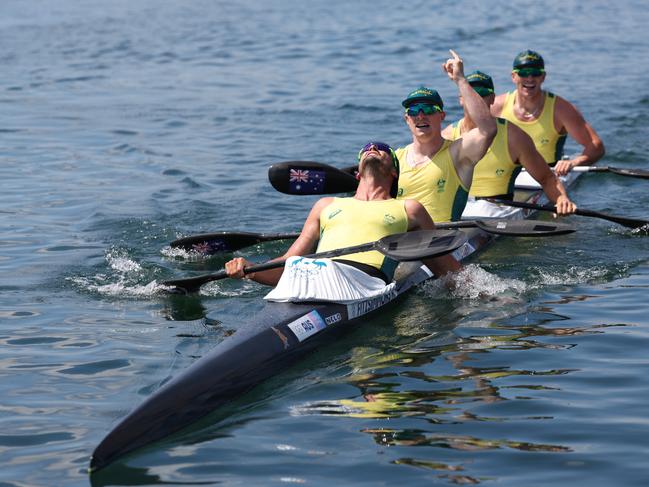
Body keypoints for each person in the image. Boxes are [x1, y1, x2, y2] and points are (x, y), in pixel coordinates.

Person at [225, 142, 460, 303]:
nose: (373, 149)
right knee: (299, 265)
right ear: (357, 173)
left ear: (394, 173)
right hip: (310, 274)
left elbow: (444, 264)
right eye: (366, 149)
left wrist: (483, 294)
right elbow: (288, 262)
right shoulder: (326, 204)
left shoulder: (409, 208)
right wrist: (249, 270)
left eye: (381, 149)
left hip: (363, 284)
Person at [441, 70, 577, 217]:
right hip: (457, 208)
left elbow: (547, 178)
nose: (477, 100)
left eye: (482, 95)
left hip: (495, 210)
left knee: (483, 209)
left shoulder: (514, 136)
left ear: (493, 99)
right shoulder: (447, 136)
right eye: (472, 95)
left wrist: (561, 198)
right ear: (461, 99)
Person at [396, 49, 497, 222]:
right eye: (413, 111)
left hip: (441, 241)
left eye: (428, 109)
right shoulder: (395, 159)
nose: (420, 116)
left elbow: (488, 129)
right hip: (399, 241)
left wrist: (460, 80)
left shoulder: (457, 153)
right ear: (407, 119)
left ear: (441, 116)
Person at [491, 49, 605, 176]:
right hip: (505, 174)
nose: (530, 78)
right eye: (523, 73)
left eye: (535, 73)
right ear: (513, 76)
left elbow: (596, 146)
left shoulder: (562, 109)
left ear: (543, 77)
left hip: (548, 174)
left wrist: (573, 163)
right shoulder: (495, 107)